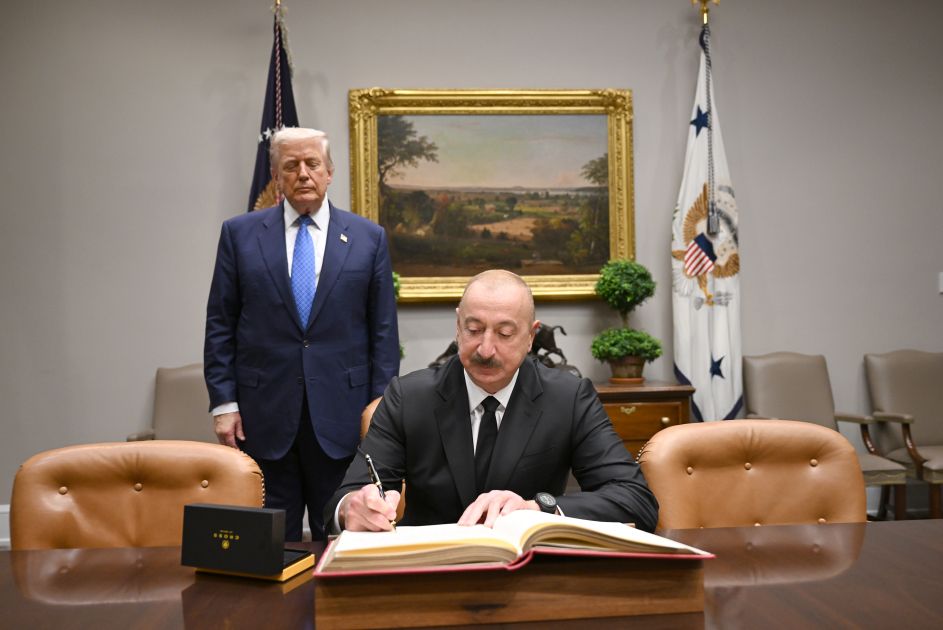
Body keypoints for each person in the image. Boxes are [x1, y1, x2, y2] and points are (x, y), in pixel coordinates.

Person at [326, 270, 658, 533]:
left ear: (531, 336)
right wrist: (353, 508)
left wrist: (537, 508)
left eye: (505, 333)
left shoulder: (569, 398)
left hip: (531, 574)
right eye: (474, 329)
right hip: (431, 574)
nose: (486, 349)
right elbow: (341, 503)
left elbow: (636, 500)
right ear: (458, 327)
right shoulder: (408, 397)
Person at [204, 127, 400, 541]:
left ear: (329, 172)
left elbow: (383, 332)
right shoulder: (239, 235)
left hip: (344, 417)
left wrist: (380, 410)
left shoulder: (368, 238)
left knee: (345, 538)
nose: (303, 173)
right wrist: (224, 402)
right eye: (291, 165)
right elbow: (221, 323)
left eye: (313, 163)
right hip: (263, 416)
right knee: (272, 544)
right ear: (276, 176)